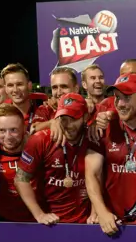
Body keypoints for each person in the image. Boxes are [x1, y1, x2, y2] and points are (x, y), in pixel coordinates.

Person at [85, 73, 136, 234]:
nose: (120, 103)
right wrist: (101, 212)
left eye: (127, 97)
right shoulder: (104, 129)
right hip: (112, 223)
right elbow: (92, 174)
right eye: (117, 97)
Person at [15, 93, 91, 225]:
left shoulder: (92, 138)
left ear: (85, 117)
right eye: (63, 118)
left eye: (74, 118)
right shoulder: (41, 139)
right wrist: (39, 215)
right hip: (50, 222)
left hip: (85, 221)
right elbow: (20, 179)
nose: (68, 124)